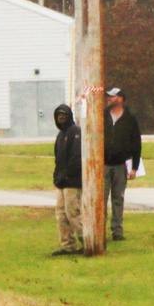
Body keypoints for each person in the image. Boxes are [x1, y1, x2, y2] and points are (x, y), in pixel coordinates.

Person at [103, 87, 142, 241]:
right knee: (102, 199)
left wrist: (134, 167)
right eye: (109, 96)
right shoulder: (102, 116)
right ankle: (99, 230)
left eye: (112, 97)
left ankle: (117, 231)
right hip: (103, 165)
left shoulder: (130, 118)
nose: (109, 99)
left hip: (121, 165)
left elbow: (136, 144)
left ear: (120, 98)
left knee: (118, 198)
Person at [52, 104, 83, 256]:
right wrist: (57, 176)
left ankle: (88, 241)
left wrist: (66, 176)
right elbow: (58, 159)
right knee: (61, 213)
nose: (61, 118)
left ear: (69, 116)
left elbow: (77, 158)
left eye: (64, 115)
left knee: (73, 213)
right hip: (62, 182)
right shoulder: (60, 135)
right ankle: (67, 245)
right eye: (59, 116)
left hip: (73, 181)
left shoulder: (75, 132)